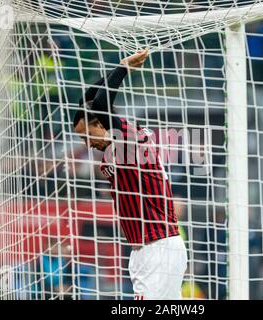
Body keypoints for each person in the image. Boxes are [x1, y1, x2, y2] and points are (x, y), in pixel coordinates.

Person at [73, 49, 187, 300]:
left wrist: (123, 68)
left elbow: (100, 104)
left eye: (86, 136)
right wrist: (115, 72)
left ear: (102, 124)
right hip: (145, 251)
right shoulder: (116, 146)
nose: (88, 144)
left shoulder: (128, 139)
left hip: (159, 248)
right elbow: (88, 102)